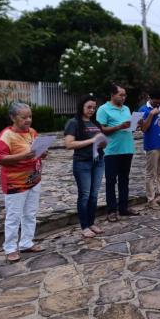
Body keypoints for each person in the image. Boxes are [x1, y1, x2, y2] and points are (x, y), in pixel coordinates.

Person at [0, 102, 46, 262]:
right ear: (13, 117)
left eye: (30, 116)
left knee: (30, 213)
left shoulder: (32, 132)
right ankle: (10, 248)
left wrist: (42, 153)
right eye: (23, 117)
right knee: (14, 216)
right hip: (15, 183)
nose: (28, 120)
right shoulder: (6, 135)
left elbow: (37, 151)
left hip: (34, 179)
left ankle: (26, 242)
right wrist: (22, 157)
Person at [64, 95, 107, 238]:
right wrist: (92, 140)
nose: (91, 110)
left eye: (94, 108)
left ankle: (91, 222)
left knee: (94, 195)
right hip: (83, 162)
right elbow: (69, 144)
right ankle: (84, 226)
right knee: (85, 195)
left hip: (98, 160)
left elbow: (100, 140)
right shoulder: (74, 122)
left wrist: (102, 142)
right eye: (89, 107)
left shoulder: (95, 123)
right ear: (81, 106)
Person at [97, 83, 138, 221]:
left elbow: (129, 126)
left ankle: (124, 207)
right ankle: (111, 210)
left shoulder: (126, 108)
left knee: (124, 180)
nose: (124, 97)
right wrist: (119, 126)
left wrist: (133, 125)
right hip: (112, 150)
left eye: (125, 95)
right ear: (112, 95)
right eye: (121, 94)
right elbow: (101, 129)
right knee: (111, 181)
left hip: (127, 148)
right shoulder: (103, 109)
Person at [140, 90, 160, 209]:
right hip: (152, 146)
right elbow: (143, 128)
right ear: (150, 98)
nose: (158, 105)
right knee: (151, 174)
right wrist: (151, 114)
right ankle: (151, 199)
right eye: (156, 103)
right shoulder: (144, 109)